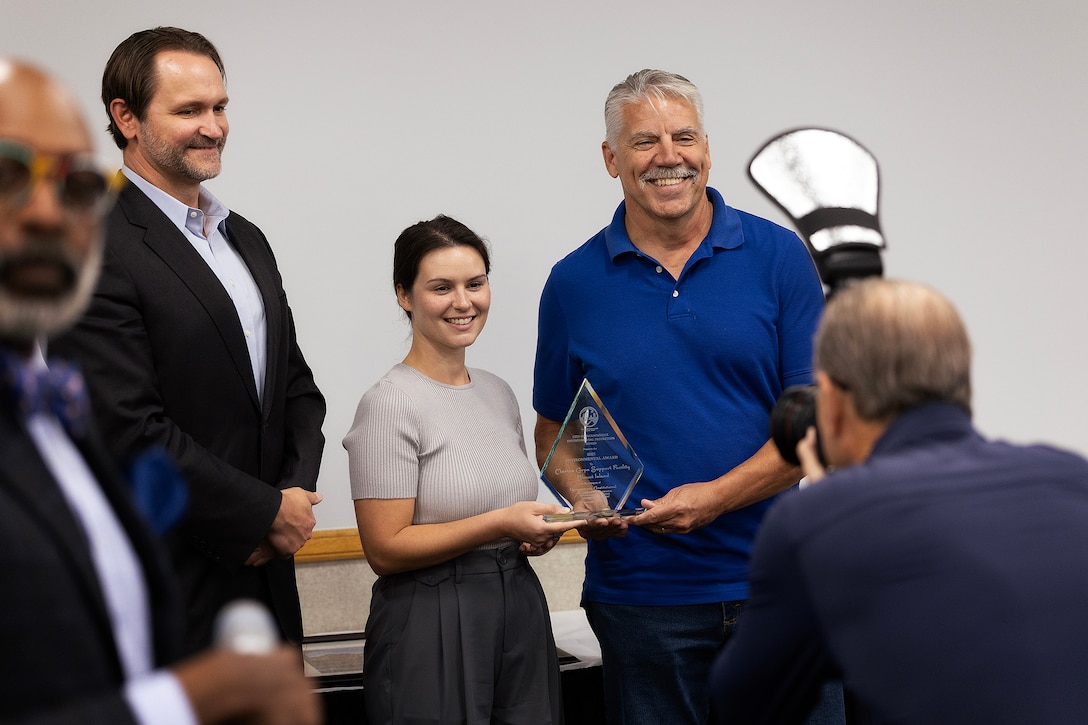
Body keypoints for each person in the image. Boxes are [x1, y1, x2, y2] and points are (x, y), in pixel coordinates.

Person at [0, 57, 320, 725]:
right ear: (126, 118)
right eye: (9, 176)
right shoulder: (109, 246)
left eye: (73, 183)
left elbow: (296, 391)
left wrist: (288, 502)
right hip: (193, 572)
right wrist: (258, 511)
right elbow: (130, 425)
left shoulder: (247, 240)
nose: (214, 126)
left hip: (263, 587)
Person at [532, 69, 830, 724]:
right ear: (611, 159)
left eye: (683, 136)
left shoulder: (780, 257)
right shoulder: (572, 284)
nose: (668, 156)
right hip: (642, 605)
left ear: (707, 149)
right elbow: (554, 430)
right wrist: (582, 495)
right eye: (644, 142)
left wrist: (715, 498)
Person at [710, 277, 1088, 723]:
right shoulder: (1071, 475)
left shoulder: (818, 521)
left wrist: (830, 506)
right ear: (962, 380)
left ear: (829, 399)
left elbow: (748, 705)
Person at [344, 215, 586, 724]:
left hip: (517, 600)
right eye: (441, 287)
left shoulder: (496, 392)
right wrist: (501, 523)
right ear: (404, 296)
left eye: (475, 284)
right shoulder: (389, 403)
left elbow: (503, 508)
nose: (463, 302)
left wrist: (533, 535)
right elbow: (384, 549)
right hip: (428, 613)